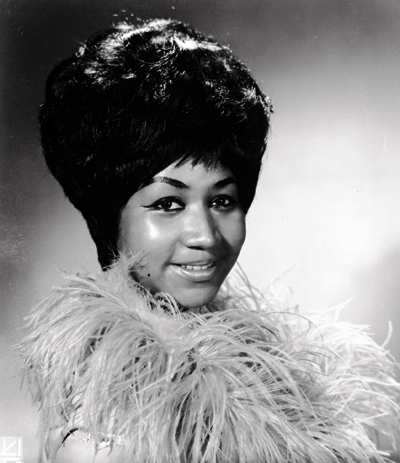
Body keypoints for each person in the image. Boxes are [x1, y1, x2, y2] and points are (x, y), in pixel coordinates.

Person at [20, 18, 400, 463]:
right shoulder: (103, 437)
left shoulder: (261, 380)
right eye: (168, 204)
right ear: (108, 213)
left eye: (222, 200)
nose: (205, 235)